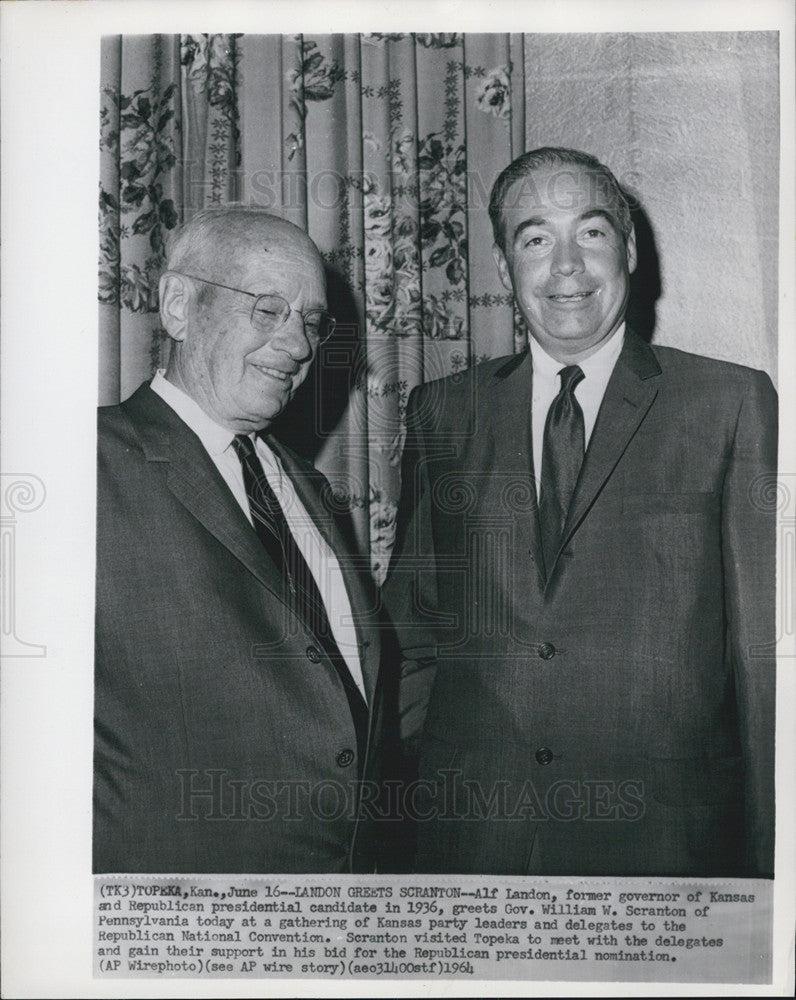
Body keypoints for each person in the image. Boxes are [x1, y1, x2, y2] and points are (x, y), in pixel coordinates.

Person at [384, 147, 777, 877]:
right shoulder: (444, 413)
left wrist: (766, 864)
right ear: (505, 269)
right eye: (535, 239)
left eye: (591, 233)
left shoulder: (729, 404)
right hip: (475, 844)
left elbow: (761, 664)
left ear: (628, 249)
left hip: (665, 848)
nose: (567, 265)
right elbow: (413, 633)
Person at [94, 206, 392, 873]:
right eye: (267, 310)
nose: (297, 347)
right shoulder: (83, 465)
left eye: (311, 322)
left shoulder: (306, 490)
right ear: (178, 305)